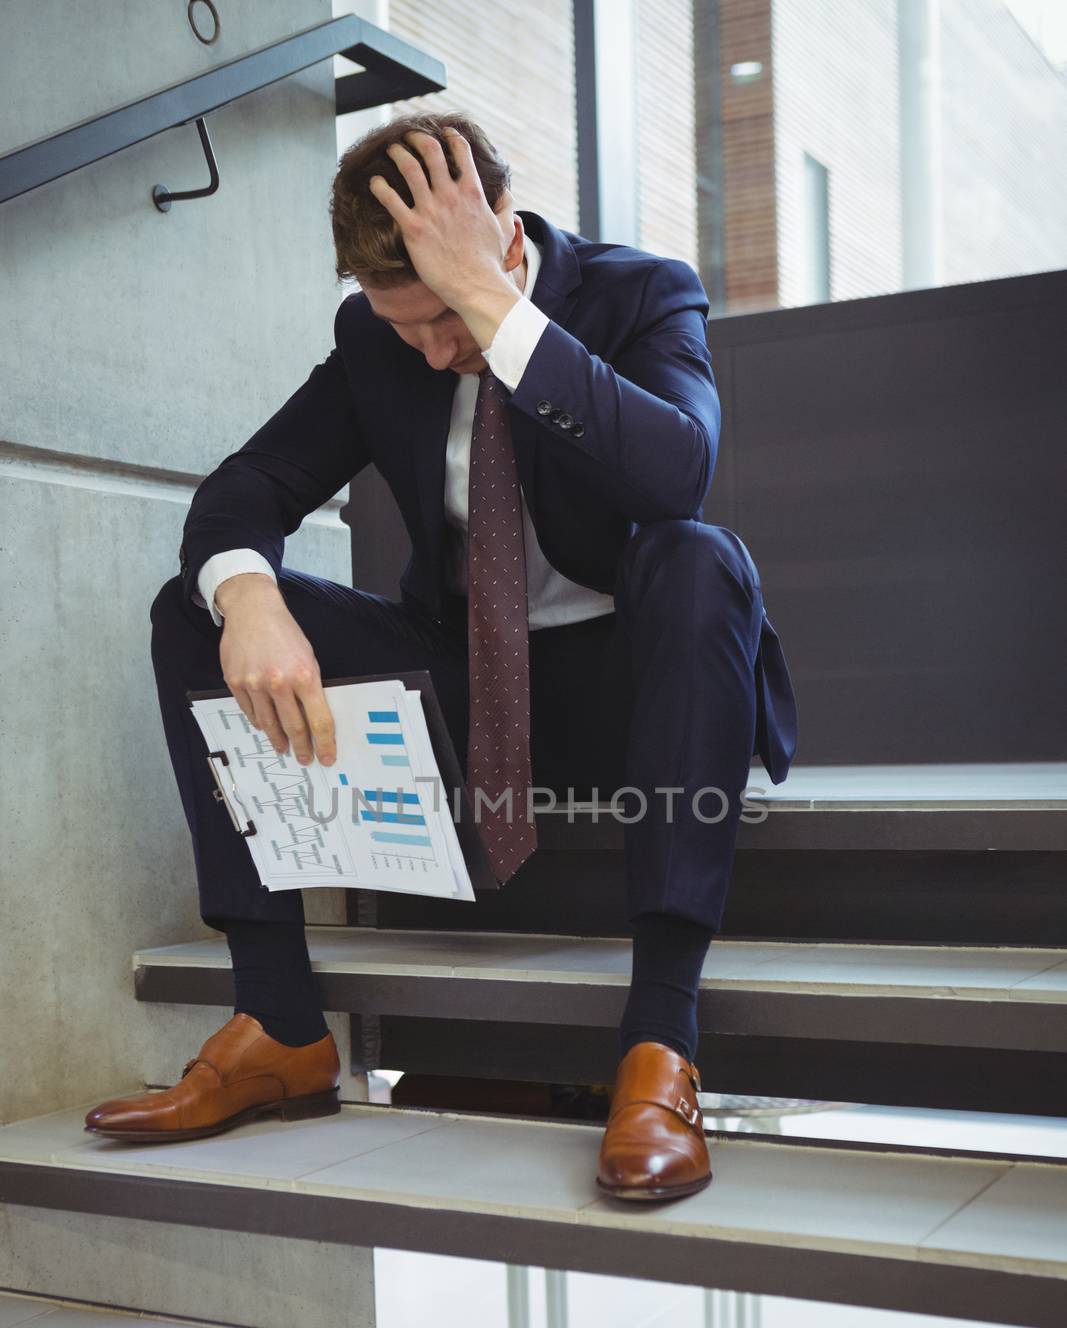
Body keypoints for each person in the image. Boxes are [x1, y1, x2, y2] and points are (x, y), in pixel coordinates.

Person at [84, 111, 798, 1200]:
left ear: (503, 234)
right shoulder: (379, 342)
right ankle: (279, 1023)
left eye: (439, 315)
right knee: (196, 605)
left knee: (699, 559)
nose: (427, 347)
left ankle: (659, 1045)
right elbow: (248, 487)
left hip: (637, 688)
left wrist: (496, 315)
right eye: (401, 322)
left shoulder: (639, 294)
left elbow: (674, 476)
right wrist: (251, 598)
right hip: (475, 690)